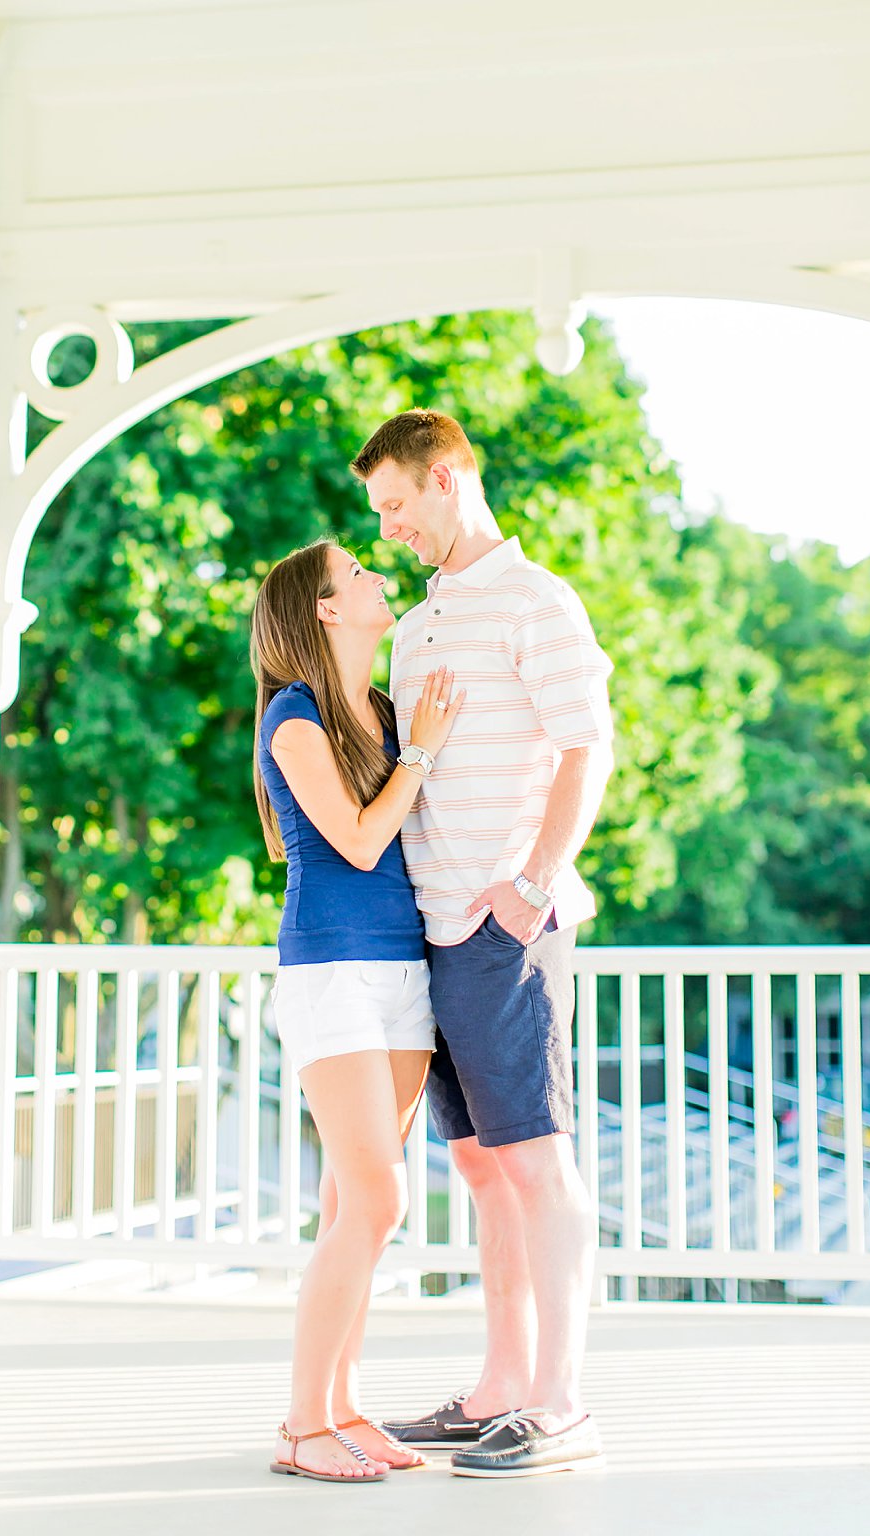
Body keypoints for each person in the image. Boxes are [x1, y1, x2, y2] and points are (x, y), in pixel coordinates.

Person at [355, 409, 614, 1478]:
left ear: (448, 476)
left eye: (398, 504)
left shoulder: (534, 601)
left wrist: (530, 885)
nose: (389, 530)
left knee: (535, 1165)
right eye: (377, 513)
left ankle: (557, 1407)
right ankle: (498, 1388)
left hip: (501, 930)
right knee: (479, 1170)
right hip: (431, 933)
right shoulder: (417, 624)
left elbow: (585, 745)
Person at [251, 539, 464, 1484]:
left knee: (354, 1205)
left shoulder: (376, 711)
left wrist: (409, 739)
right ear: (327, 611)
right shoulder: (293, 721)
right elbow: (364, 842)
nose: (380, 579)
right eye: (360, 576)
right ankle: (301, 1427)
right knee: (378, 1198)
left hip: (403, 974)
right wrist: (420, 751)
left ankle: (340, 1406)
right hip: (331, 971)